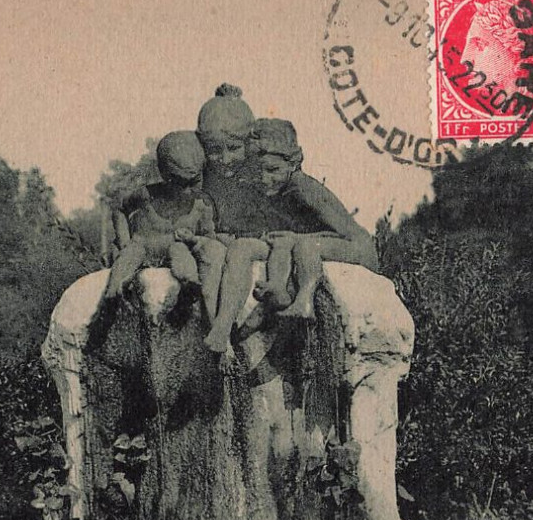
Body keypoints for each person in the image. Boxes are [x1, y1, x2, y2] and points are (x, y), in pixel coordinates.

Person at [202, 117, 380, 355]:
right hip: (292, 244)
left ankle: (301, 301)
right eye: (259, 171)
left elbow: (345, 233)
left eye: (274, 170)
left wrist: (295, 239)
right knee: (243, 247)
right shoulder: (271, 188)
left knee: (305, 245)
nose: (266, 178)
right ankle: (222, 326)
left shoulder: (302, 188)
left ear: (292, 164)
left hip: (354, 247)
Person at [106, 130, 226, 321]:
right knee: (131, 254)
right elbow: (119, 209)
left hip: (176, 250)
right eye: (178, 182)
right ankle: (112, 295)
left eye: (193, 182)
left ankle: (190, 286)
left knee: (180, 252)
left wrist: (193, 239)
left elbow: (208, 237)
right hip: (142, 247)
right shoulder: (147, 194)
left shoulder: (202, 205)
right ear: (163, 172)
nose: (187, 190)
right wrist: (124, 241)